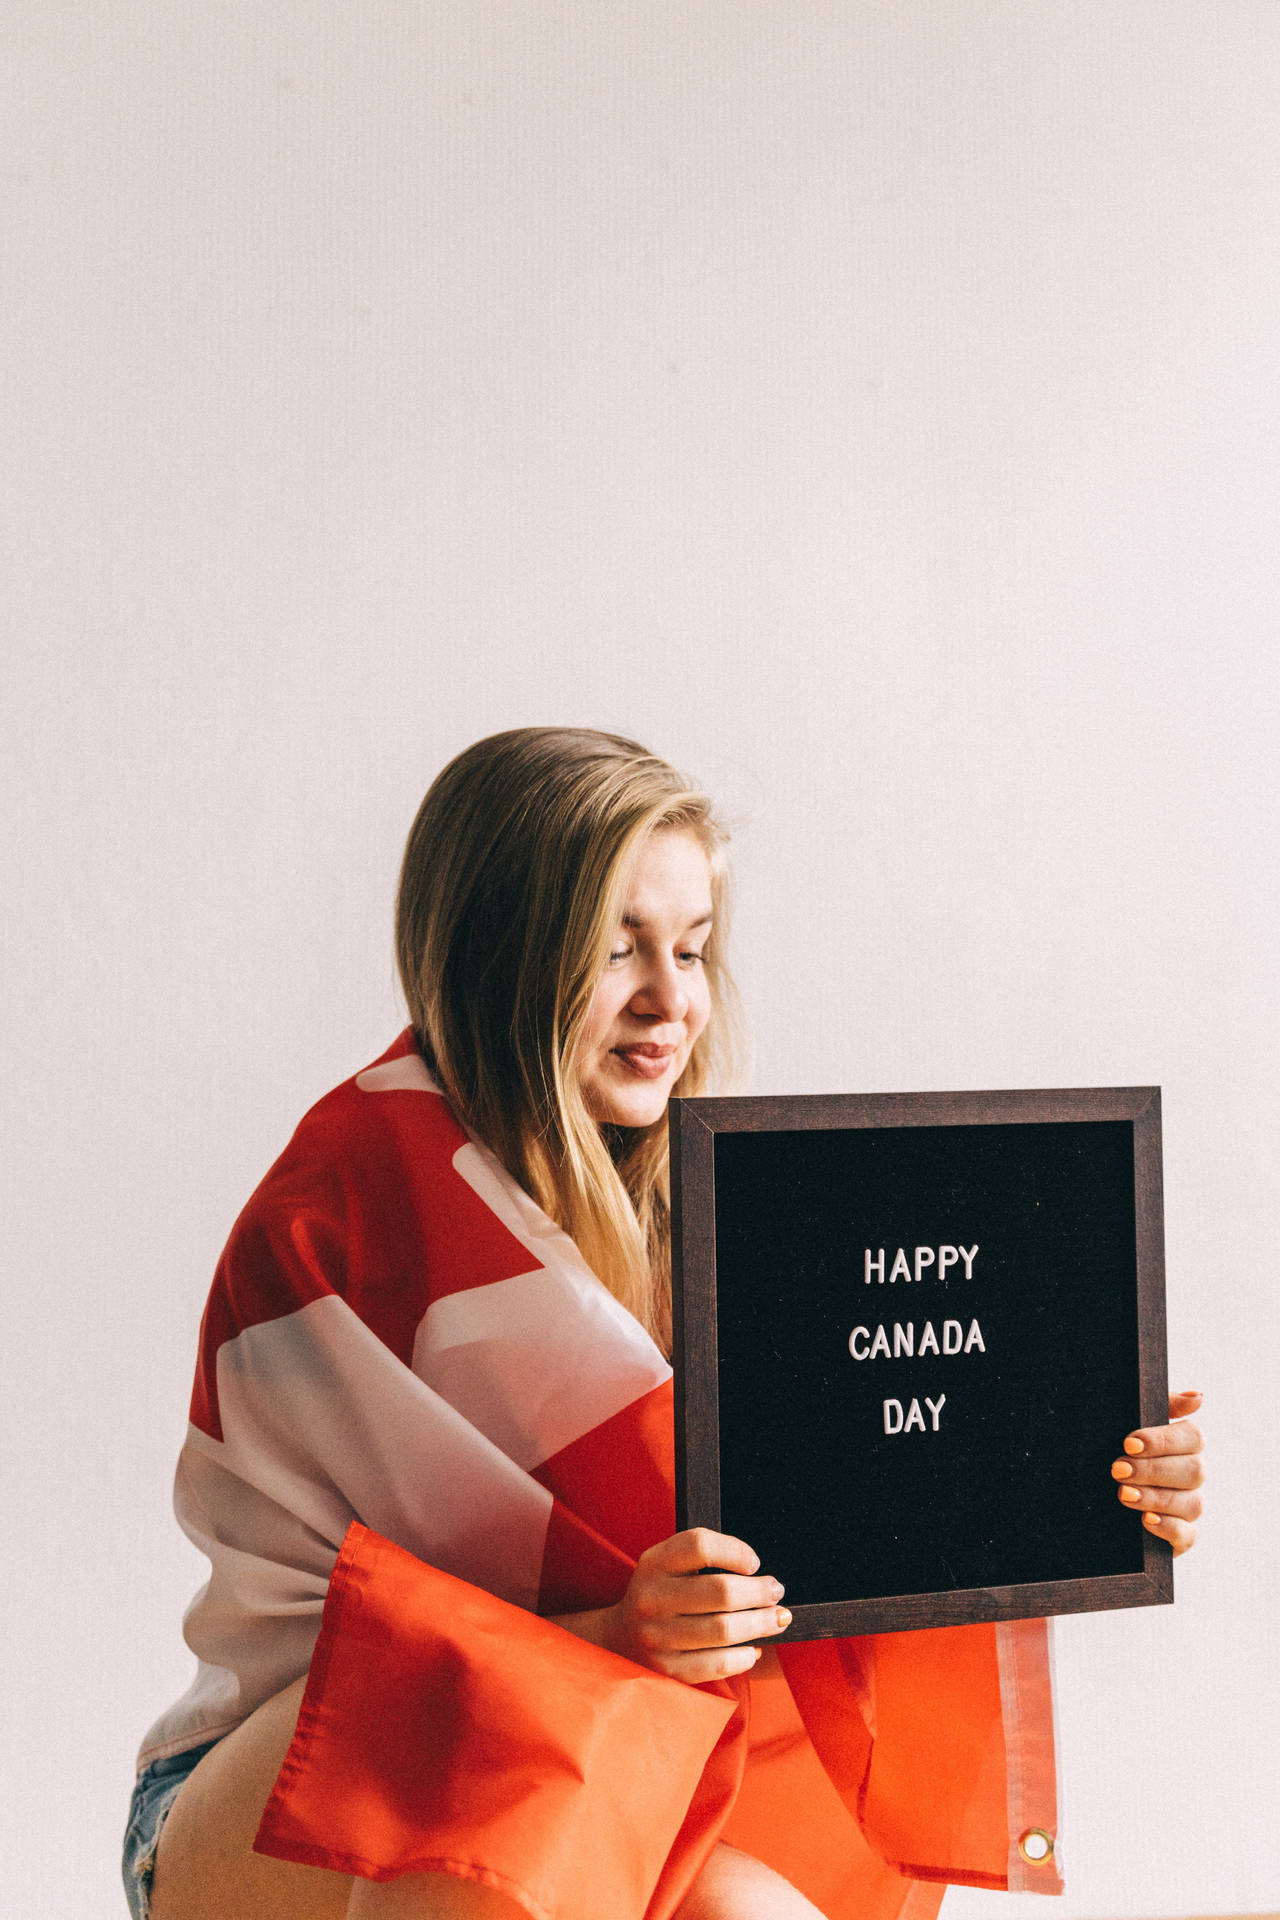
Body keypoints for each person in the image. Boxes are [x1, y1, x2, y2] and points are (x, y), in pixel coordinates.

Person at [123, 728, 1205, 1920]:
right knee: (507, 1784)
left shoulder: (723, 1223)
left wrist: (1076, 1469)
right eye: (613, 951)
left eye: (690, 950)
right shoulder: (347, 1207)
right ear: (497, 959)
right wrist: (613, 1628)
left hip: (604, 1767)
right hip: (278, 1786)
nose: (669, 999)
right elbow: (415, 1653)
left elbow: (874, 1498)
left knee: (749, 1912)